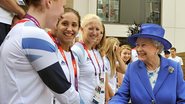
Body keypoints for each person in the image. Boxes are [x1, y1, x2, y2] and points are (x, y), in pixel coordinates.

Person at [0, 0, 81, 104]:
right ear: (49, 2)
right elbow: (64, 92)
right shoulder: (34, 34)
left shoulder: (19, 30)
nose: (62, 14)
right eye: (62, 6)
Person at [109, 23, 185, 104]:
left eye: (143, 45)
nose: (138, 49)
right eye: (137, 45)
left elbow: (182, 99)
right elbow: (121, 96)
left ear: (157, 48)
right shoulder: (132, 68)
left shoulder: (174, 67)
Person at [48, 7, 82, 103]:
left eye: (74, 25)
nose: (69, 29)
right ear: (56, 25)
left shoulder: (74, 56)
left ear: (78, 29)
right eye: (64, 23)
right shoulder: (50, 50)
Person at [71, 14, 103, 104]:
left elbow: (99, 79)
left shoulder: (94, 52)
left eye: (97, 29)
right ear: (82, 29)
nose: (94, 32)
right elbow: (70, 82)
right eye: (90, 28)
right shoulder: (77, 50)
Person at [102, 37, 125, 103]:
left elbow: (124, 70)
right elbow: (105, 82)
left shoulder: (112, 62)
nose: (118, 49)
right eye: (116, 46)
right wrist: (113, 97)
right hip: (107, 96)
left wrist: (118, 56)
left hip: (112, 95)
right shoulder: (104, 61)